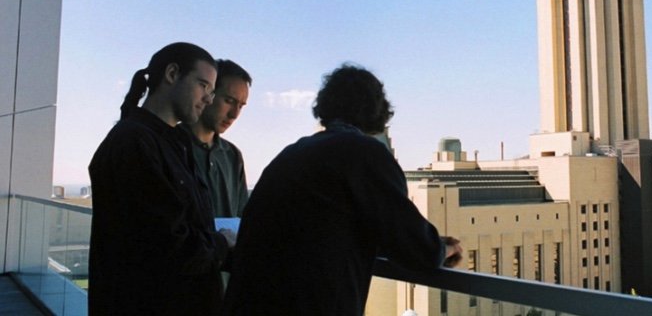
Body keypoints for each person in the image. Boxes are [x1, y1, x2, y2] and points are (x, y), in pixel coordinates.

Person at [223, 64, 462, 315]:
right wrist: (445, 249)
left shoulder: (292, 153)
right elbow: (414, 246)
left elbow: (324, 230)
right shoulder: (365, 154)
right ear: (376, 110)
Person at [88, 42, 235, 316]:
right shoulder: (134, 143)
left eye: (212, 91)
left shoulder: (169, 142)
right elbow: (167, 246)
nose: (208, 99)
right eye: (203, 85)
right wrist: (222, 243)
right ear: (172, 74)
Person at [181, 59, 251, 218]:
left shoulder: (232, 155)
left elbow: (241, 216)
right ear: (208, 94)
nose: (234, 114)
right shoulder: (169, 145)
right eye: (229, 101)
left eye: (241, 106)